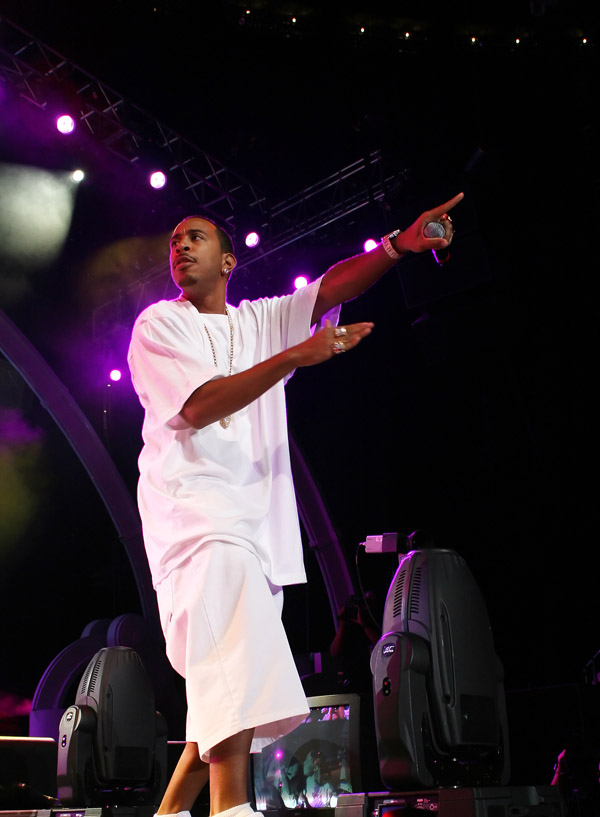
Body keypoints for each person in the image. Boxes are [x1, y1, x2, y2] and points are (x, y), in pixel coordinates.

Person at [127, 192, 463, 817]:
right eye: (174, 240)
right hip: (195, 519)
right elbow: (199, 406)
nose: (179, 246)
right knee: (232, 668)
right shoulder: (159, 324)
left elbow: (329, 288)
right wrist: (297, 356)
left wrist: (397, 245)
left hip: (254, 528)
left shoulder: (257, 321)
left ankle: (169, 814)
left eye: (194, 237)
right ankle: (230, 808)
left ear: (229, 261)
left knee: (229, 676)